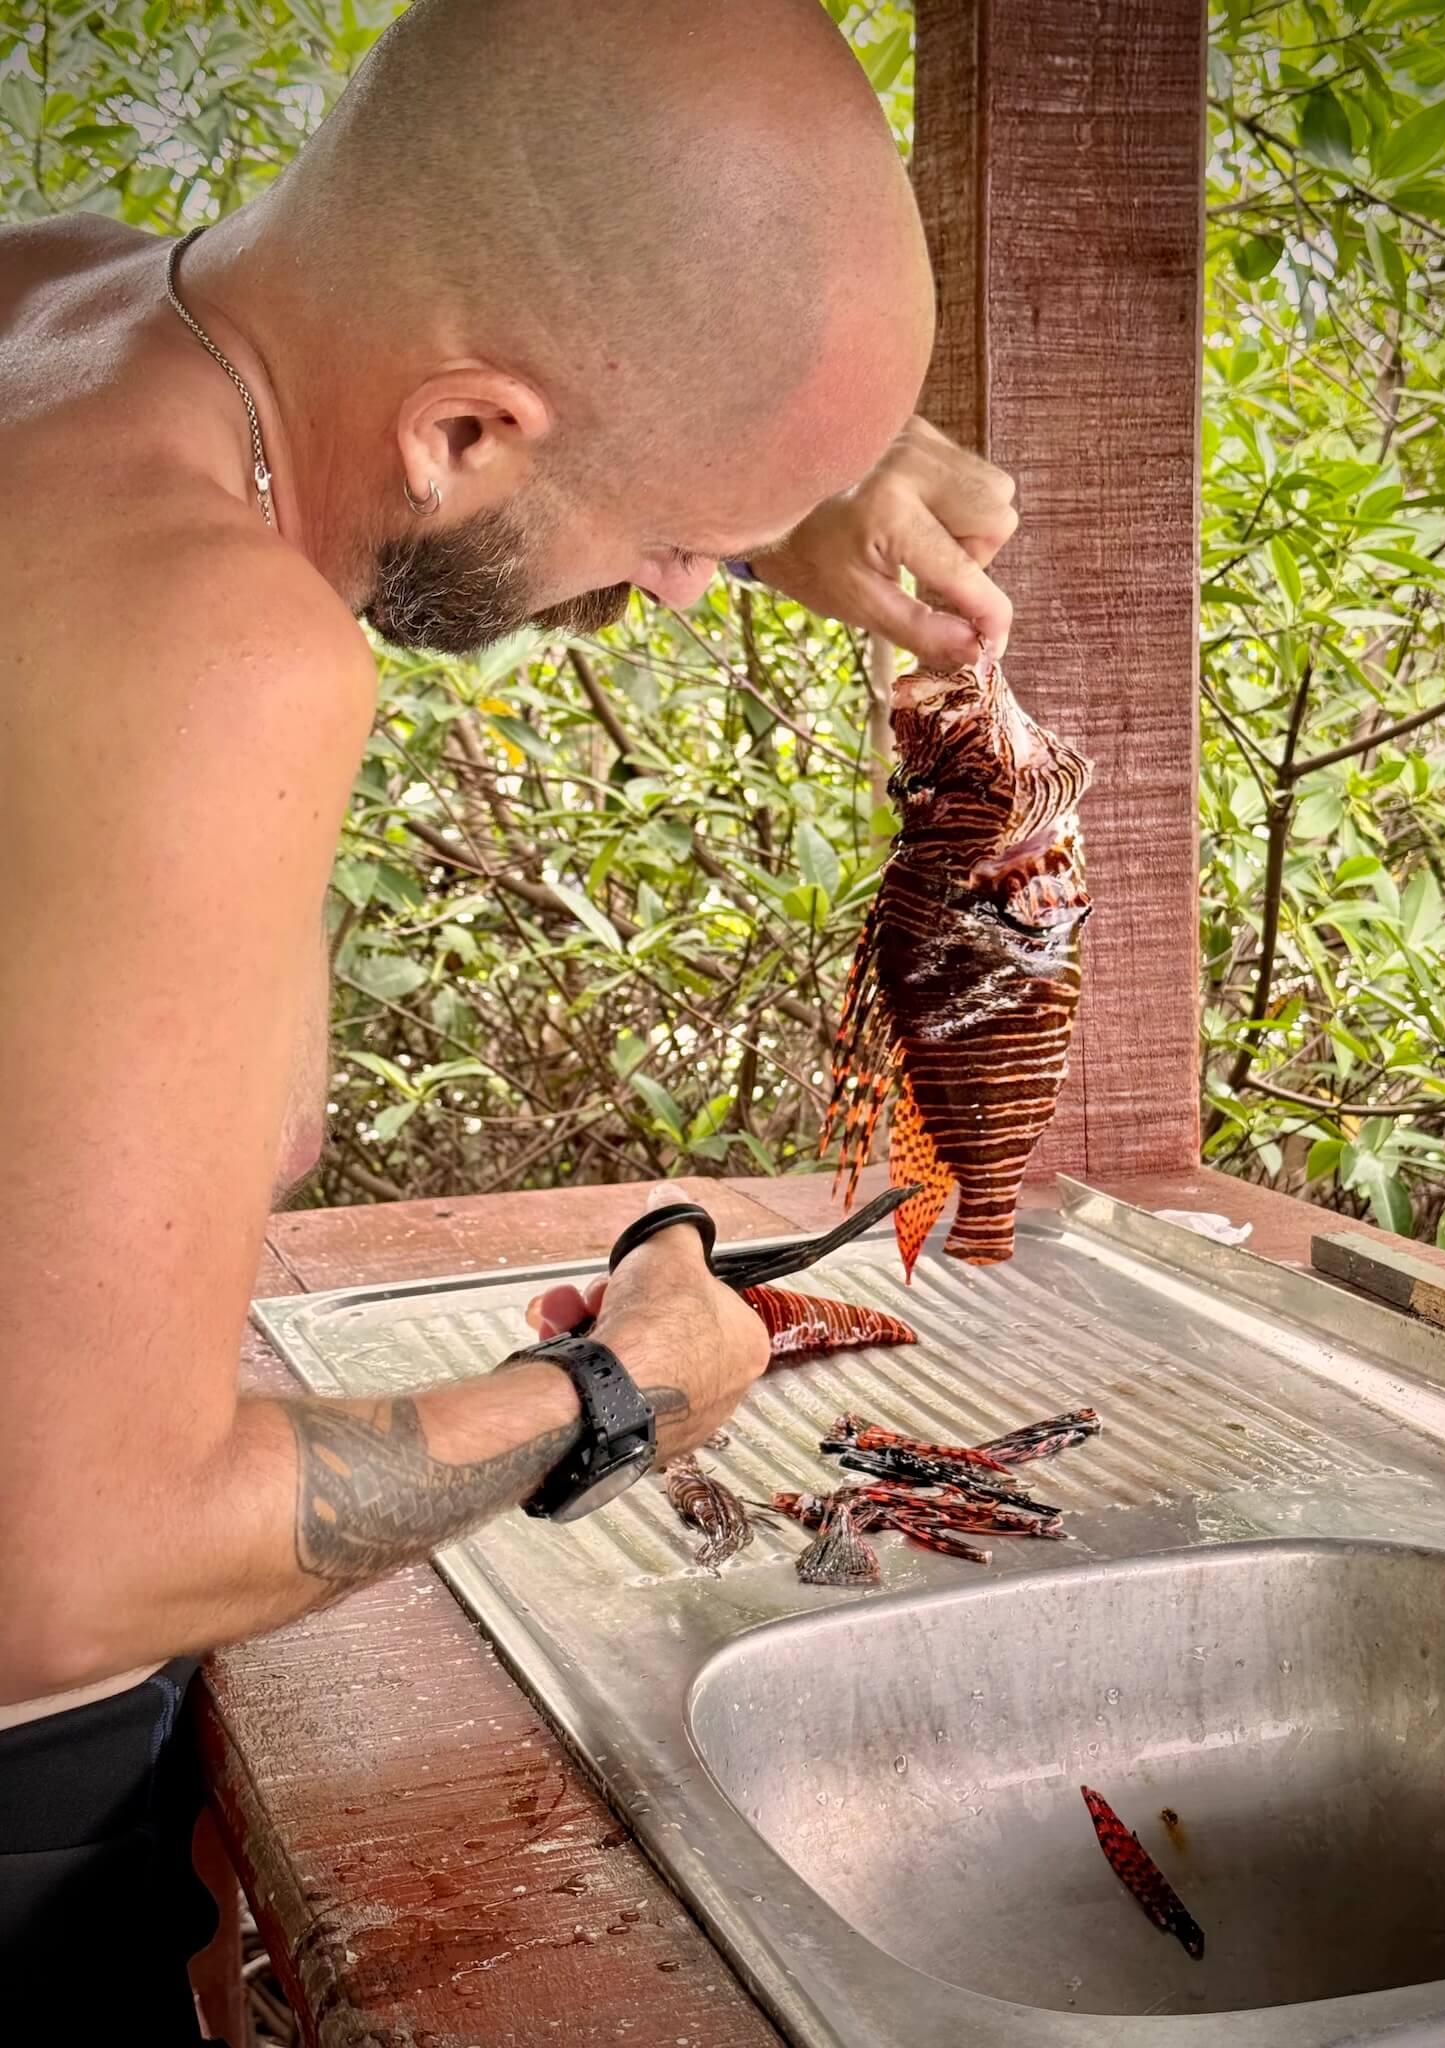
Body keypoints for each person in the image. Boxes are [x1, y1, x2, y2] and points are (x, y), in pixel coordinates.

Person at [0, 0, 1017, 2032]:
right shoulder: (216, 646)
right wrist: (619, 1392)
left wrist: (748, 455)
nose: (679, 594)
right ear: (467, 432)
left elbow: (474, 274)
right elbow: (69, 1555)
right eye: (673, 547)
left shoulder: (50, 291)